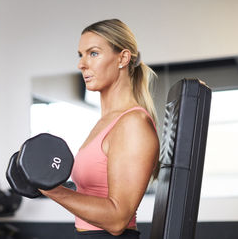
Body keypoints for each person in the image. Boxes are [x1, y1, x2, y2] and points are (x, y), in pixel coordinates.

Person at [39, 19, 160, 239]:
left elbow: (117, 219)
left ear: (122, 58)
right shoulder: (105, 123)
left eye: (93, 53)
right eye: (80, 55)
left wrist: (51, 189)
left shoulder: (132, 124)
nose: (81, 64)